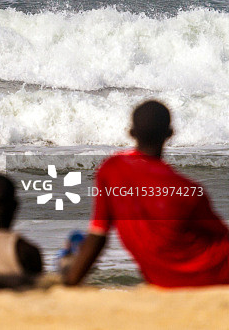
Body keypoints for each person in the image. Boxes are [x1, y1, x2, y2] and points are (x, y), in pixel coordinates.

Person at [65, 100, 229, 287]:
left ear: (131, 133)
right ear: (170, 134)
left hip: (165, 279)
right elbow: (221, 238)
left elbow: (98, 235)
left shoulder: (111, 171)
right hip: (215, 275)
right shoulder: (187, 190)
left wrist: (69, 283)